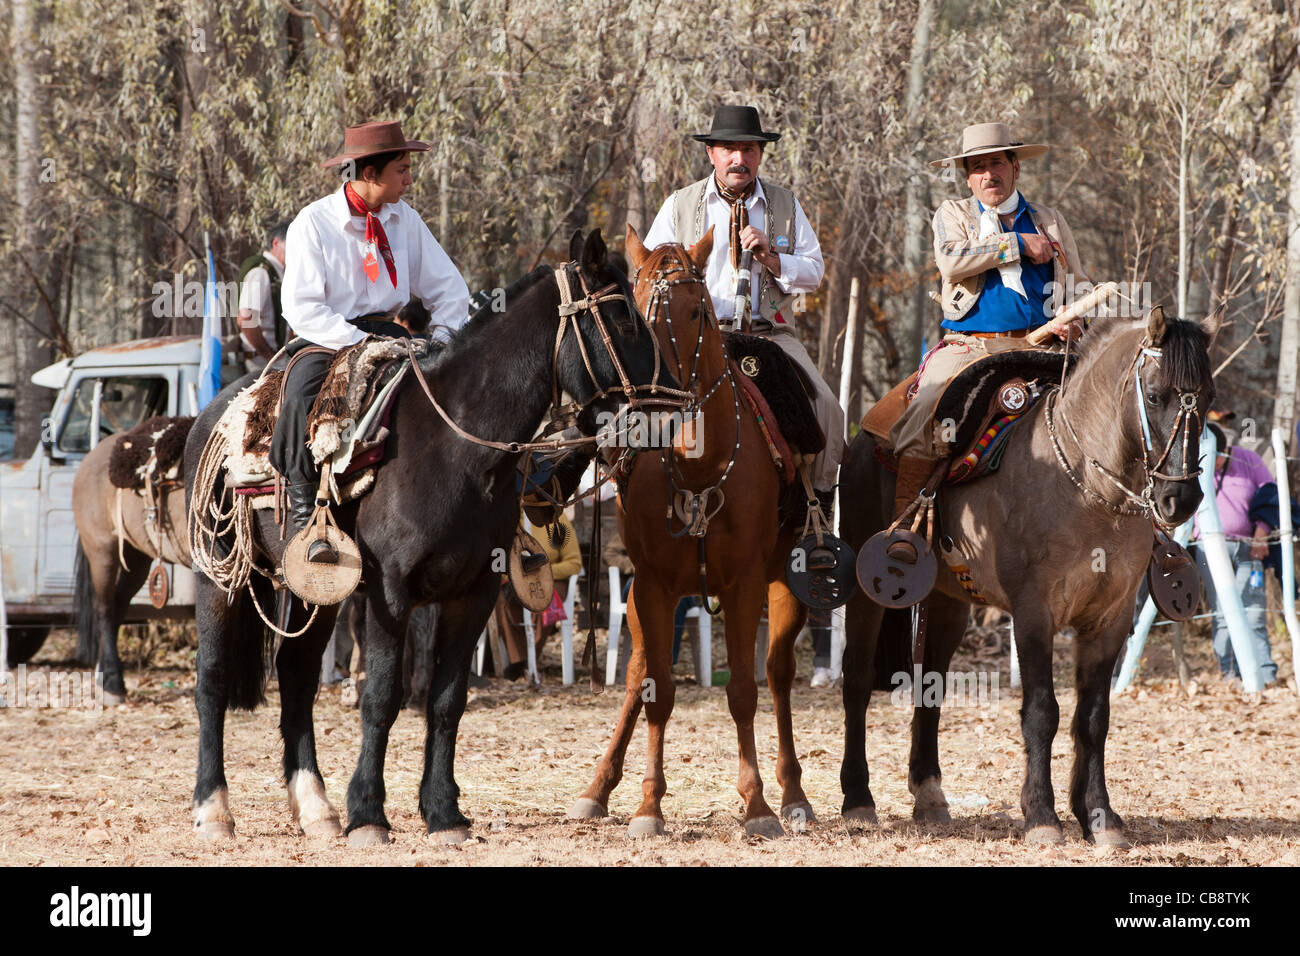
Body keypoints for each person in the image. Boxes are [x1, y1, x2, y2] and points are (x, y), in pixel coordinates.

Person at [885, 122, 1087, 561]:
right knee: (926, 409)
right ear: (967, 176)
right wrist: (1015, 243)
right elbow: (952, 262)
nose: (987, 175)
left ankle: (1143, 530)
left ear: (1015, 168)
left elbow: (1079, 283)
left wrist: (1076, 319)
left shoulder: (1050, 219)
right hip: (970, 346)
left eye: (996, 163)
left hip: (1046, 348)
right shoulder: (952, 214)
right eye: (977, 167)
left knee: (1113, 399)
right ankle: (905, 531)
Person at [272, 120, 470, 563]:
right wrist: (357, 341)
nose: (410, 178)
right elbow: (302, 307)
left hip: (393, 334)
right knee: (301, 399)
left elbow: (450, 290)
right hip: (327, 338)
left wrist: (441, 341)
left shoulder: (406, 220)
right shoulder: (314, 222)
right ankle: (307, 522)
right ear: (369, 174)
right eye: (401, 169)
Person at [643, 105, 845, 517]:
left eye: (749, 149)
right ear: (711, 154)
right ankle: (637, 498)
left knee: (827, 406)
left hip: (768, 334)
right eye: (730, 149)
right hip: (697, 337)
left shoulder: (785, 205)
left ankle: (817, 511)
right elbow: (647, 270)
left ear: (760, 155)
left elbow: (815, 274)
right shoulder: (679, 206)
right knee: (637, 405)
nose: (740, 159)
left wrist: (773, 259)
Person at [1192, 422, 1278, 686]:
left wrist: (1262, 533)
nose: (1213, 463)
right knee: (1221, 612)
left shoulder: (1249, 460)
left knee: (1252, 610)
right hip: (1208, 548)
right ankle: (1229, 674)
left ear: (1226, 450)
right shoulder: (1192, 463)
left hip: (1249, 546)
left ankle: (1265, 673)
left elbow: (1271, 496)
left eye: (1216, 457)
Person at [236, 221, 290, 373]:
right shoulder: (261, 273)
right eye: (291, 244)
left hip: (272, 360)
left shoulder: (277, 273)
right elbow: (246, 319)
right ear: (275, 243)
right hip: (260, 363)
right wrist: (270, 357)